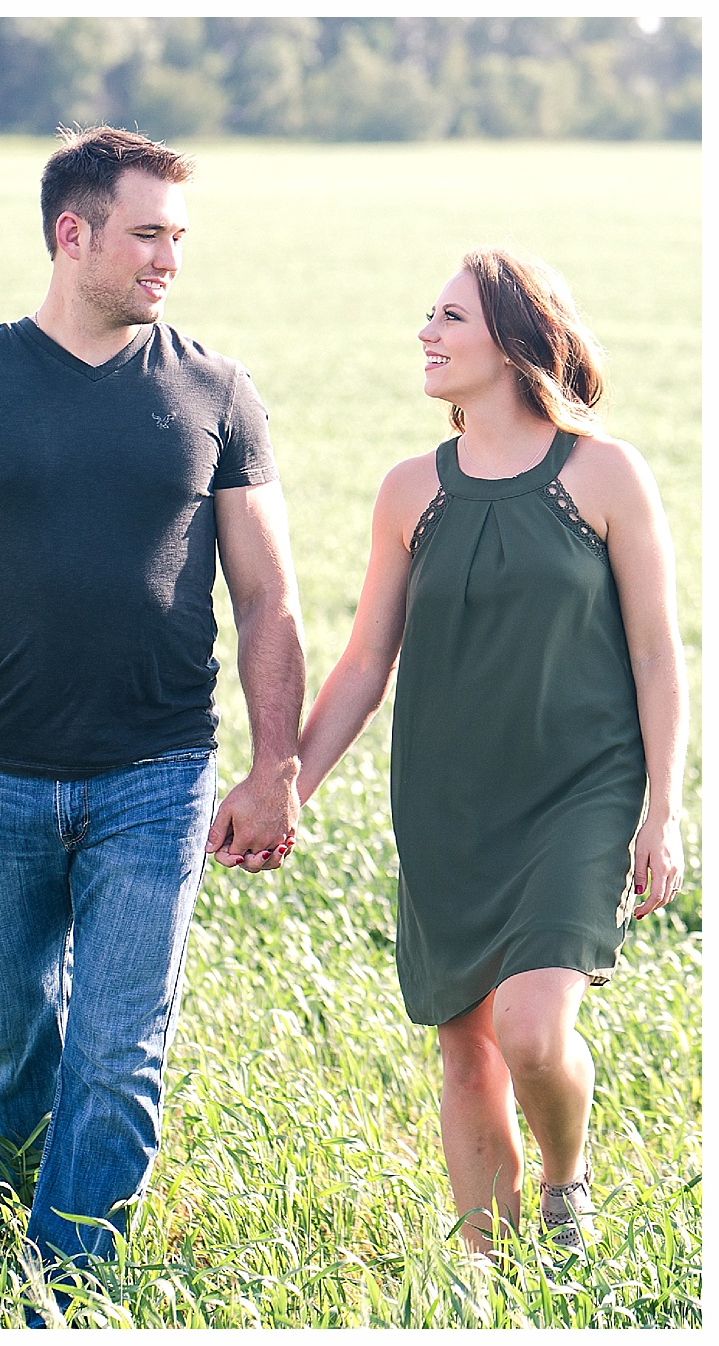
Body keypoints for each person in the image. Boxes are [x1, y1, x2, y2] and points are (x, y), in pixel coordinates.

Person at [0, 126, 305, 1274]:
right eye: (147, 234)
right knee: (14, 1037)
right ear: (72, 233)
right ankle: (28, 1177)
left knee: (119, 1047)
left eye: (179, 238)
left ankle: (57, 1284)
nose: (169, 260)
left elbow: (270, 601)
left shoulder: (217, 392)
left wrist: (274, 765)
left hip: (158, 774)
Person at [295, 248, 685, 1254]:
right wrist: (285, 780)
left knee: (530, 1029)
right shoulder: (407, 491)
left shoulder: (603, 472)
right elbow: (363, 660)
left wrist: (663, 806)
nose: (426, 333)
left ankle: (565, 1182)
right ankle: (487, 1280)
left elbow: (654, 651)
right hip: (446, 798)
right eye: (427, 315)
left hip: (580, 792)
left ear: (514, 341)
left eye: (450, 318)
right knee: (466, 1054)